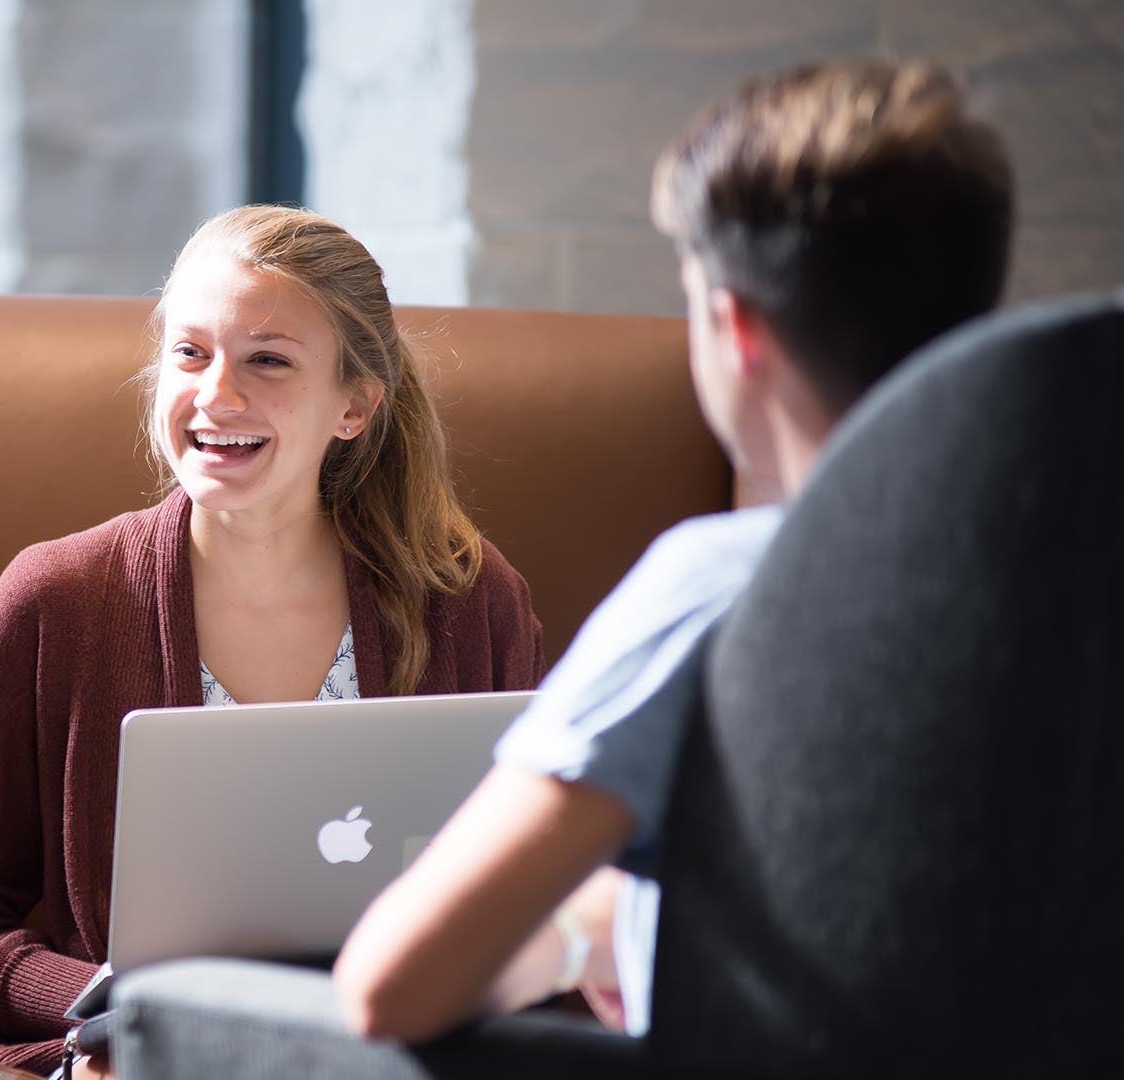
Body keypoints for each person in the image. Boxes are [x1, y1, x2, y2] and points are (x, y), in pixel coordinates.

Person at [333, 57, 1016, 1041]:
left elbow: (389, 989)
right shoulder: (1077, 569)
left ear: (732, 326)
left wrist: (573, 937)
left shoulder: (725, 586)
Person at [0, 205, 546, 1075]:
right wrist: (106, 999)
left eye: (267, 361)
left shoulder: (470, 601)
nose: (216, 395)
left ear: (354, 405)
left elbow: (540, 891)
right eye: (191, 353)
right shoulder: (54, 601)